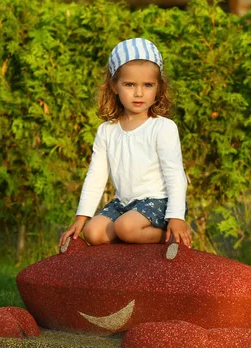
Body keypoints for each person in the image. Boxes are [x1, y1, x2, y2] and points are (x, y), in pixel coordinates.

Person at [58, 38, 191, 250]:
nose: (139, 93)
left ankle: (168, 236)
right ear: (114, 86)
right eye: (130, 85)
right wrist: (81, 218)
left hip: (158, 202)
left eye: (148, 85)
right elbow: (96, 176)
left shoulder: (162, 127)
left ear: (158, 87)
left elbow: (175, 174)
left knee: (126, 228)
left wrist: (176, 217)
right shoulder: (107, 130)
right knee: (93, 232)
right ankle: (132, 244)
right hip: (124, 204)